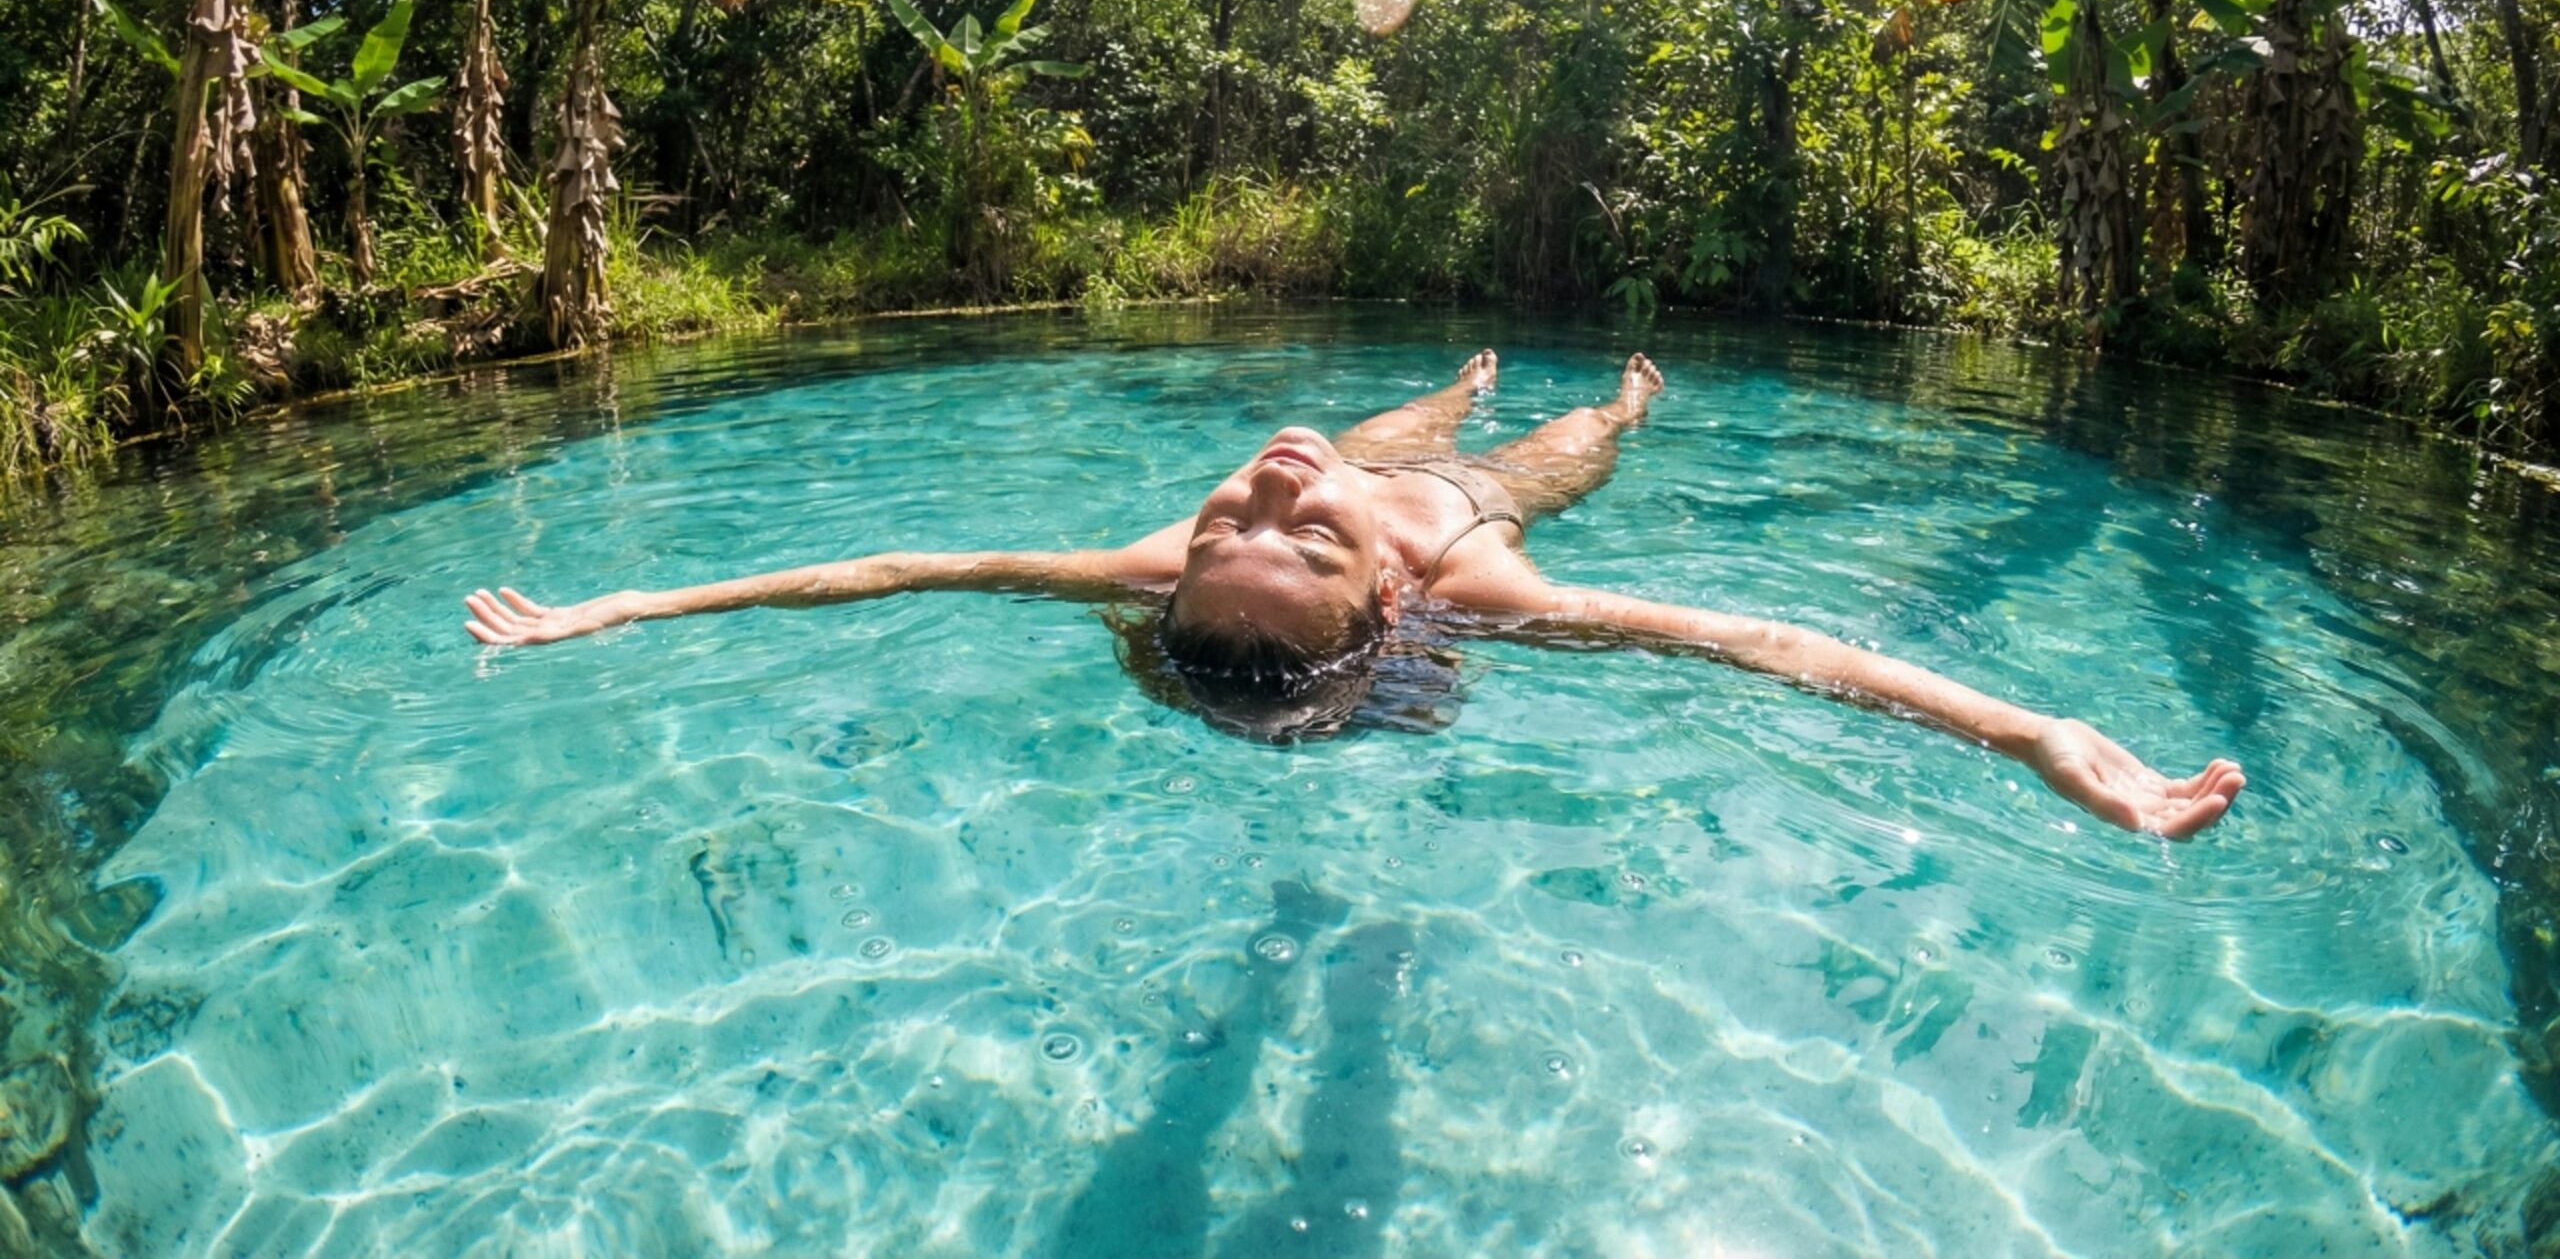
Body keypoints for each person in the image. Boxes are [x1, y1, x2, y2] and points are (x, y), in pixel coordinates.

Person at [464, 351, 2245, 838]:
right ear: (1389, 609)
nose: (1285, 487)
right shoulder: (1470, 575)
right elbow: (1768, 646)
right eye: (1302, 532)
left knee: (1399, 407)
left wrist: (621, 604)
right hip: (1478, 493)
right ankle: (1606, 397)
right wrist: (2032, 731)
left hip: (1418, 450)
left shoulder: (1170, 565)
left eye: (1247, 508)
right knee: (1548, 441)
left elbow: (877, 571)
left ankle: (1450, 380)